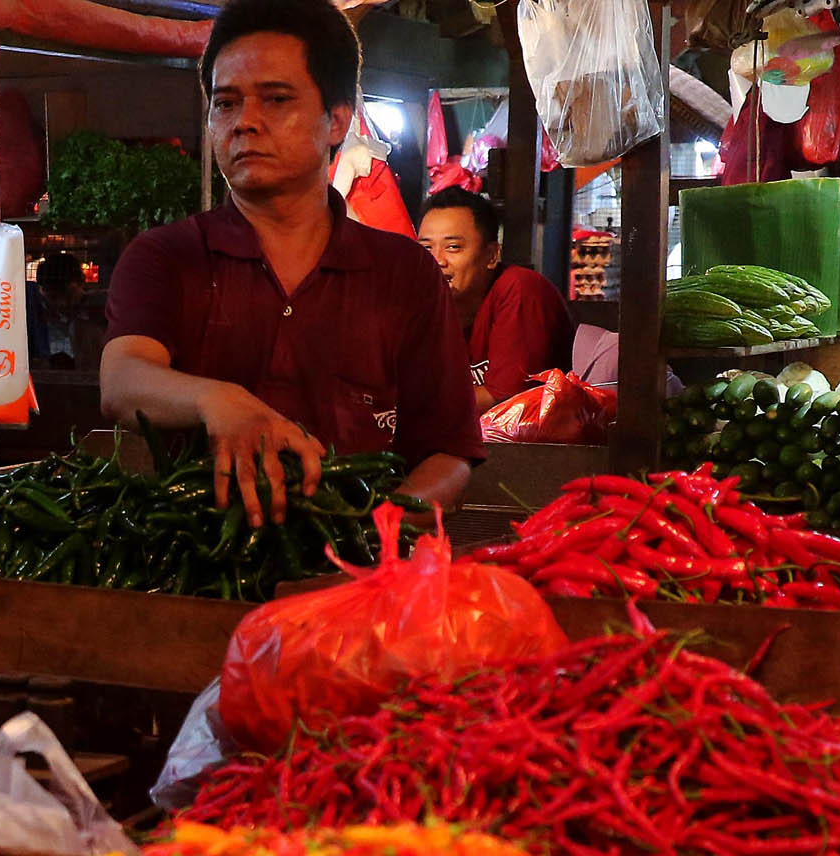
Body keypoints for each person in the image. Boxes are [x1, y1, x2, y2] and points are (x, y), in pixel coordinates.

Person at [101, 0, 482, 524]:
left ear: (337, 121)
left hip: (361, 571)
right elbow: (121, 379)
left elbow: (450, 454)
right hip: (198, 565)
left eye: (276, 100)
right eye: (226, 103)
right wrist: (217, 401)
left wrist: (378, 529)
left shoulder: (404, 274)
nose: (245, 123)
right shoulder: (167, 257)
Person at [418, 185, 574, 408]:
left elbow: (505, 401)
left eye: (453, 247)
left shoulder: (519, 290)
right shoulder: (424, 304)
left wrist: (407, 405)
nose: (437, 261)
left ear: (491, 255)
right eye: (425, 249)